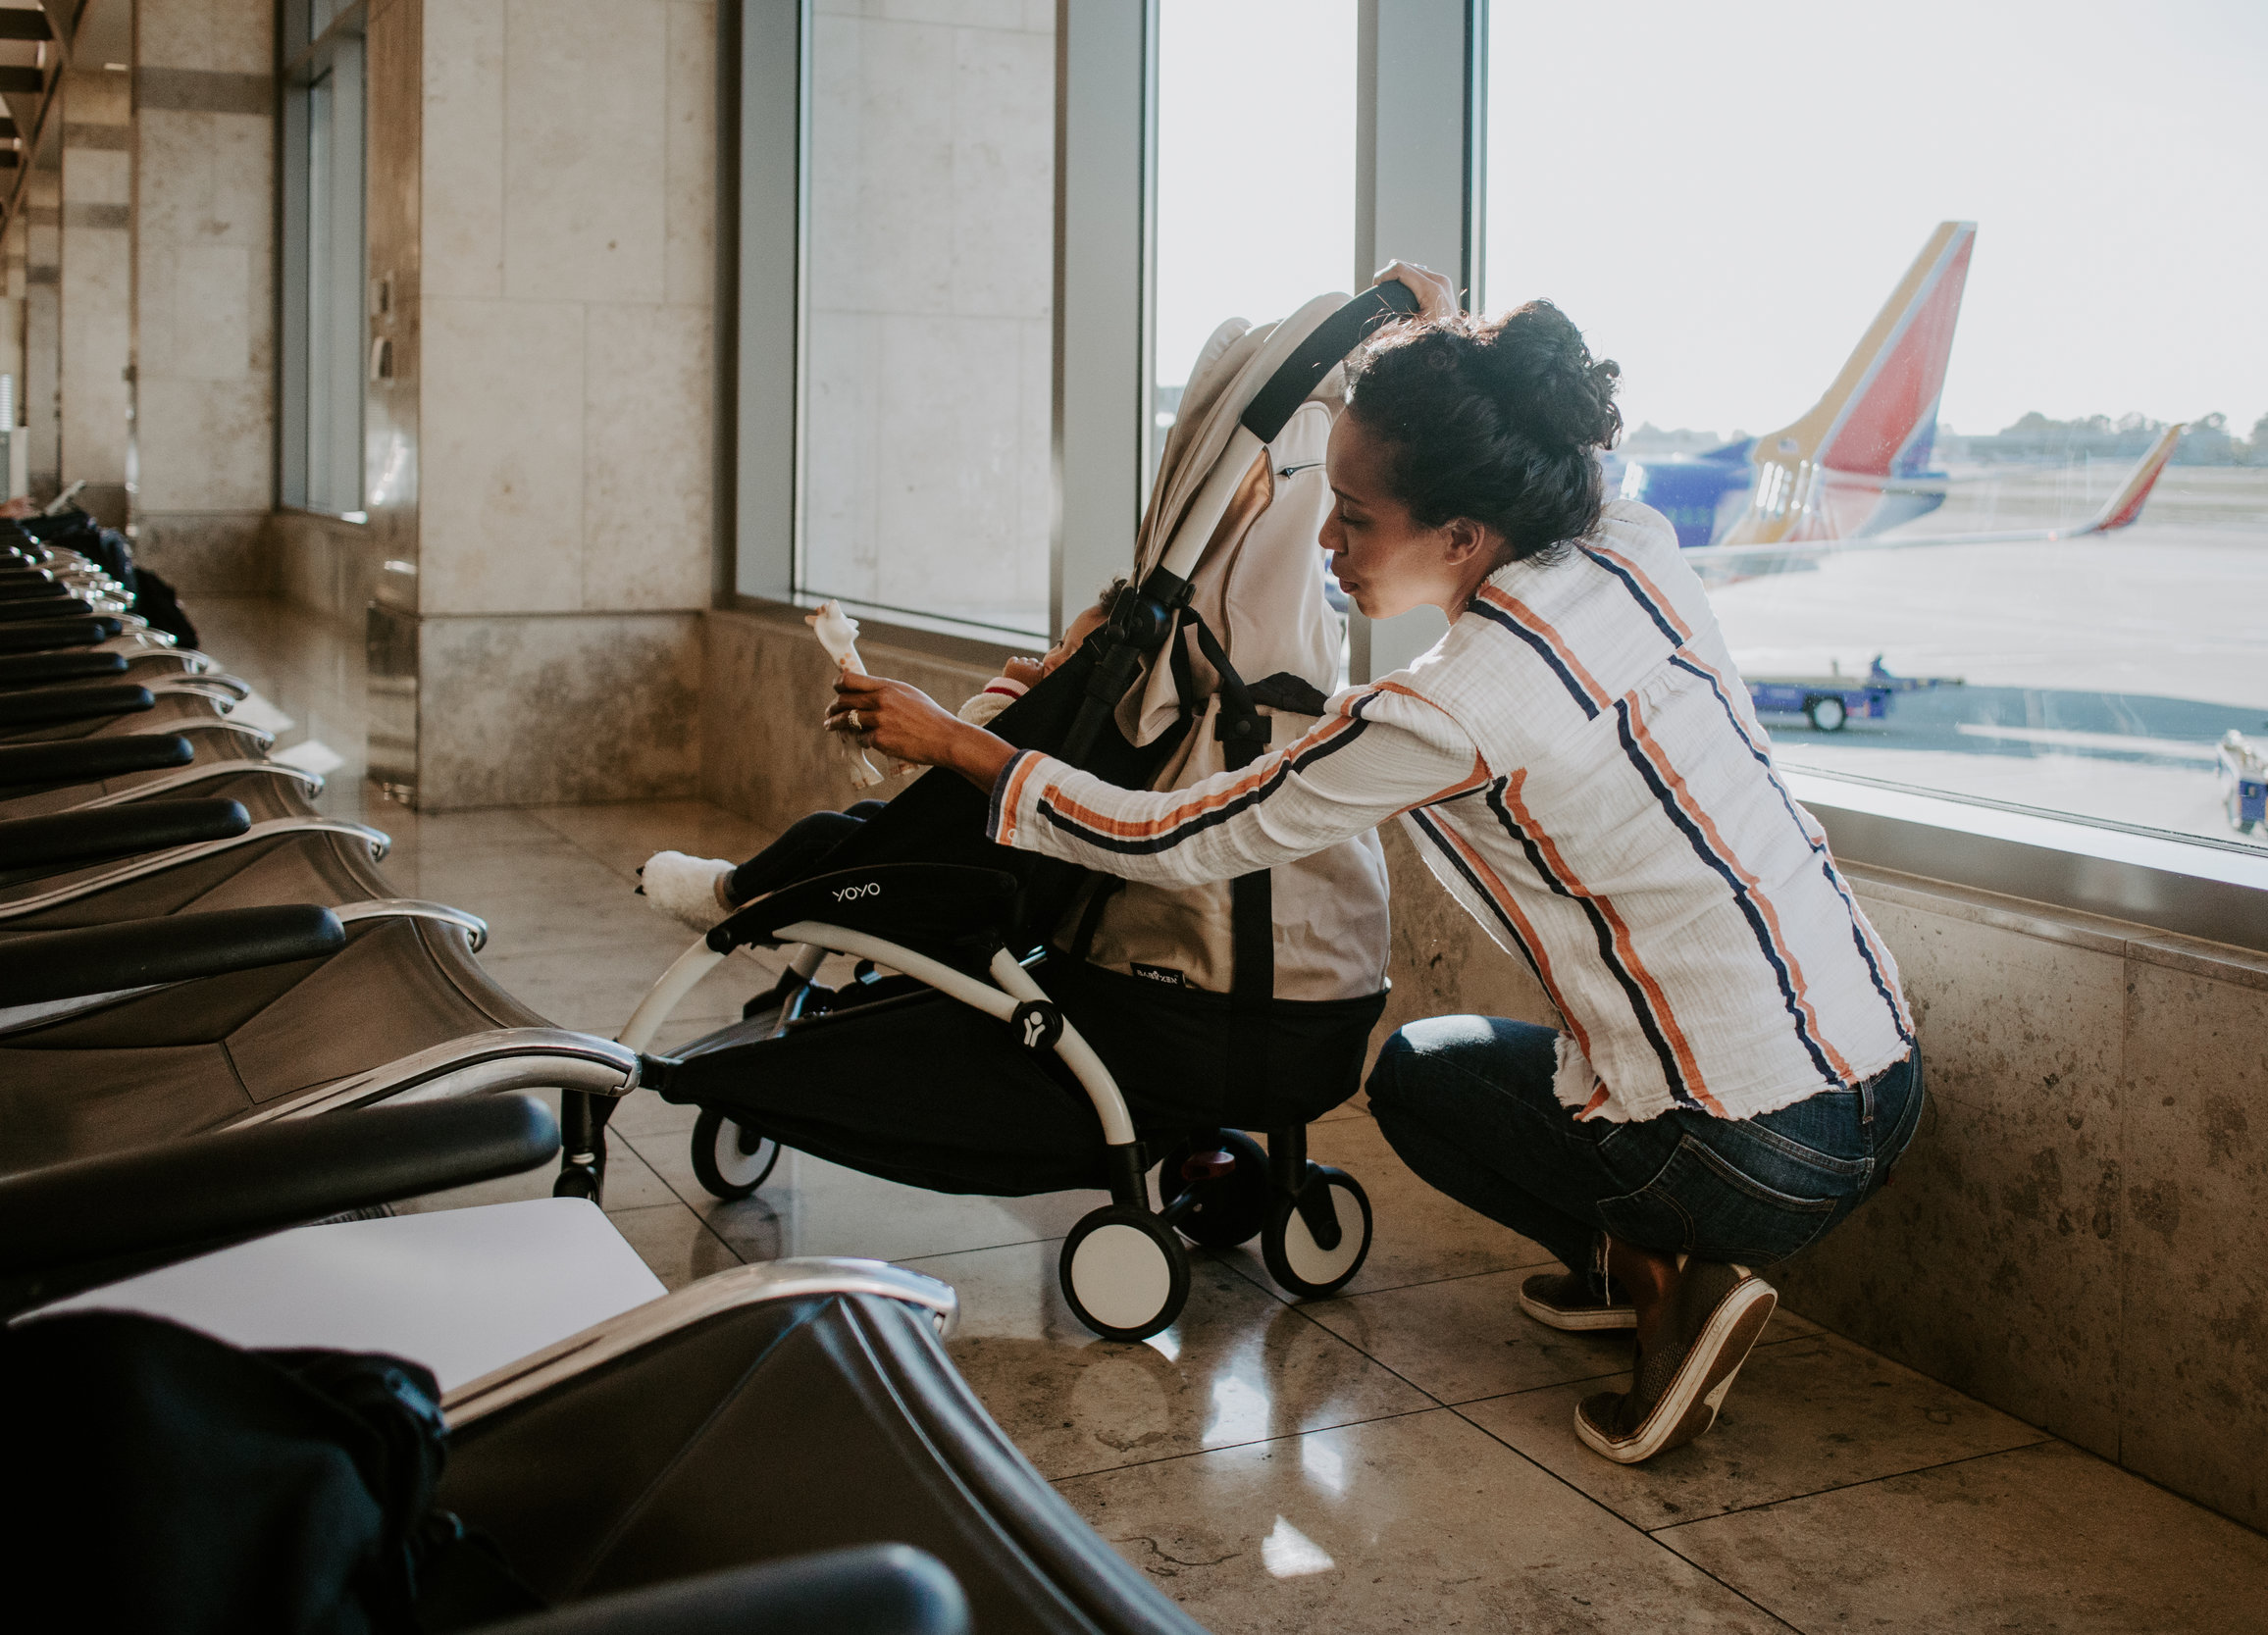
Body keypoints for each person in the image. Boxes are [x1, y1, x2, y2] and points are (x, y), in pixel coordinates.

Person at [828, 262, 1923, 1465]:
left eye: (1355, 516)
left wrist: (957, 743)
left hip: (1751, 1155)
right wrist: (1399, 334)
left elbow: (1182, 833)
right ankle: (1641, 1260)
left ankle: (1673, 1291)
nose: (1330, 542)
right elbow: (1500, 425)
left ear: (1460, 534)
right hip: (1883, 1081)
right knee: (1492, 1064)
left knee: (1412, 1079)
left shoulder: (1449, 709)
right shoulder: (1629, 542)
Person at [641, 581, 1127, 933]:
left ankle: (725, 895)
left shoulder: (1052, 734)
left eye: (1070, 653)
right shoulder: (1077, 735)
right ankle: (770, 894)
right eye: (1060, 643)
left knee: (820, 834)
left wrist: (1008, 689)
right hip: (965, 856)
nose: (1051, 657)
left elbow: (970, 739)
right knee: (868, 818)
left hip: (962, 882)